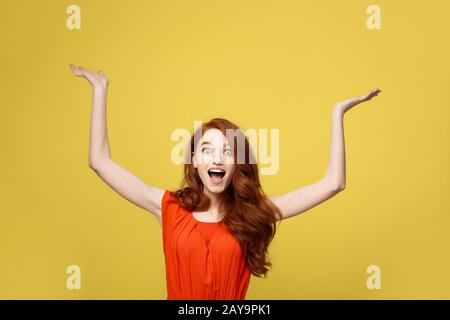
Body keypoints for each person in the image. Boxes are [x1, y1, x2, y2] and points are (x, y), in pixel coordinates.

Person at [69, 63, 381, 299]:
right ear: (194, 161)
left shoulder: (253, 214)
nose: (217, 159)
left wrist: (337, 113)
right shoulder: (168, 208)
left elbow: (333, 183)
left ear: (236, 165)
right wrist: (100, 90)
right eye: (207, 150)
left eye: (227, 151)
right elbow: (99, 161)